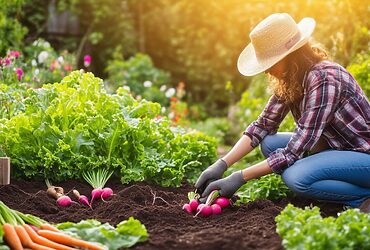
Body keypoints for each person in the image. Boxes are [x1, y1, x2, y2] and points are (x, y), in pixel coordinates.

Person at [195, 13, 370, 212]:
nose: (266, 70)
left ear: (291, 56)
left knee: (296, 177)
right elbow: (262, 126)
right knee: (269, 143)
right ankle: (334, 186)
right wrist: (222, 163)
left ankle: (362, 198)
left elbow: (294, 150)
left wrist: (240, 177)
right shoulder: (293, 78)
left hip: (363, 155)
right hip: (338, 148)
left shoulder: (324, 79)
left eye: (270, 62)